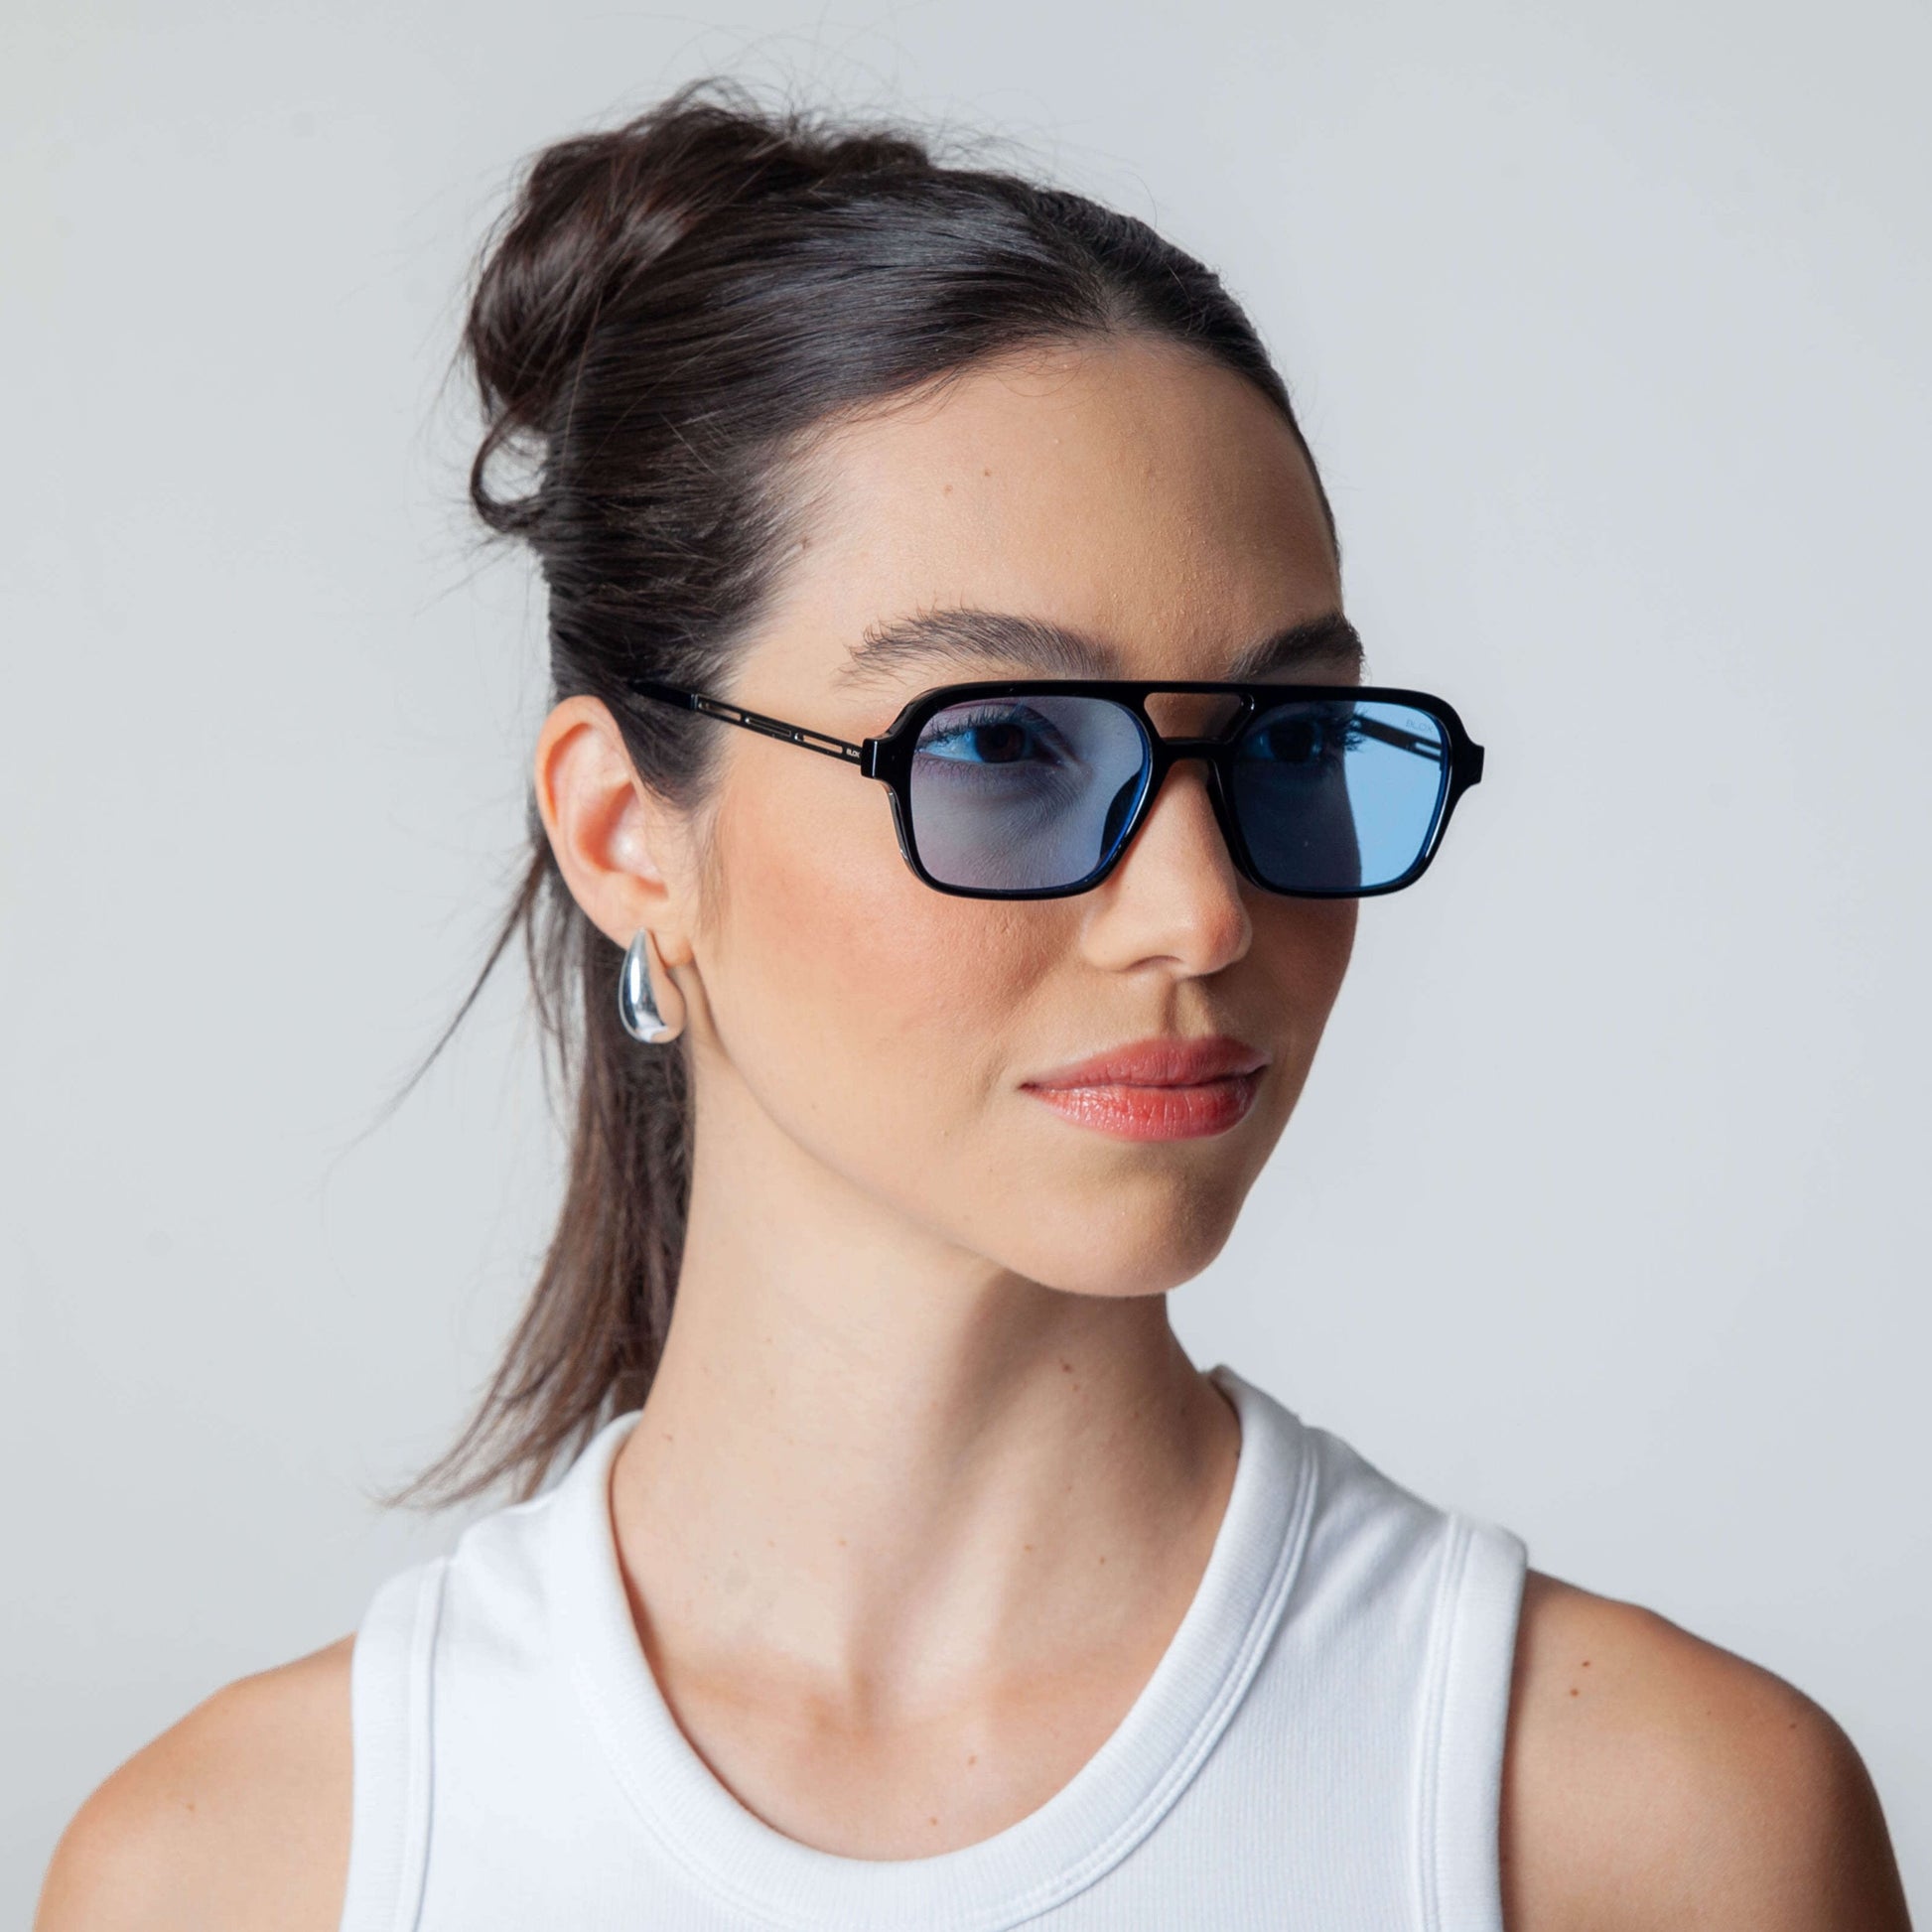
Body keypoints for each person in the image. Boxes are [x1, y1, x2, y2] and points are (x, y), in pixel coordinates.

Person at [37, 80, 1910, 1932]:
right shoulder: (238, 1877)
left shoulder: (1652, 1834)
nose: (1199, 907)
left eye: (1286, 741)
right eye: (1004, 744)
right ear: (624, 833)